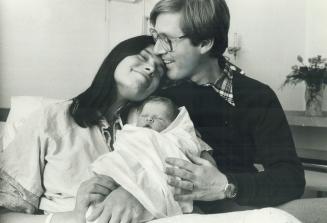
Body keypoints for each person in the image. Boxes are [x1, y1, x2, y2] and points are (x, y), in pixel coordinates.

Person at [148, 0, 306, 214]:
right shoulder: (158, 91)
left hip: (238, 209)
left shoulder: (257, 96)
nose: (157, 49)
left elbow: (290, 178)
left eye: (167, 40)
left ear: (204, 43)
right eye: (156, 36)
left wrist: (226, 186)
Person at [0, 35, 165, 223]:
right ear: (117, 58)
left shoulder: (157, 127)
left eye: (159, 69)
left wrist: (136, 194)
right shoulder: (50, 118)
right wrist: (71, 217)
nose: (151, 68)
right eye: (143, 57)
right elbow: (5, 215)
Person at [86, 96, 212, 222]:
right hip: (124, 173)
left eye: (159, 118)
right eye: (144, 115)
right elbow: (123, 151)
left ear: (172, 125)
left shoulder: (171, 139)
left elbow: (175, 157)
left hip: (151, 179)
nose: (149, 119)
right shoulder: (130, 133)